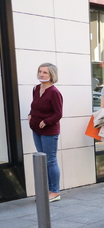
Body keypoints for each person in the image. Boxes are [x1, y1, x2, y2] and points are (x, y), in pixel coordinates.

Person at [29, 63, 63, 202]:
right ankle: (47, 190)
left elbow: (58, 114)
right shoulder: (36, 89)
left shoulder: (54, 92)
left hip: (49, 131)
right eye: (40, 71)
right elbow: (35, 105)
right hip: (36, 129)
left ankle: (55, 191)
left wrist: (47, 121)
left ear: (51, 76)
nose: (41, 74)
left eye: (45, 73)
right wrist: (30, 114)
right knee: (42, 160)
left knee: (50, 160)